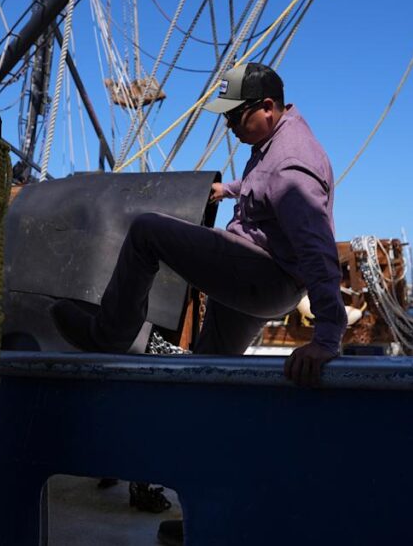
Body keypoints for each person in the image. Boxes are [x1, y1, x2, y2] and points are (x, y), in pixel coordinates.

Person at [51, 62, 345, 384]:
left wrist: (327, 338)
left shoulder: (291, 163)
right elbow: (265, 186)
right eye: (225, 117)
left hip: (265, 277)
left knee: (146, 232)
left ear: (266, 107)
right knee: (209, 372)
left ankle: (109, 336)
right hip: (263, 275)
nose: (229, 125)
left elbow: (317, 250)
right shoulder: (276, 139)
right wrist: (227, 189)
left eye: (234, 116)